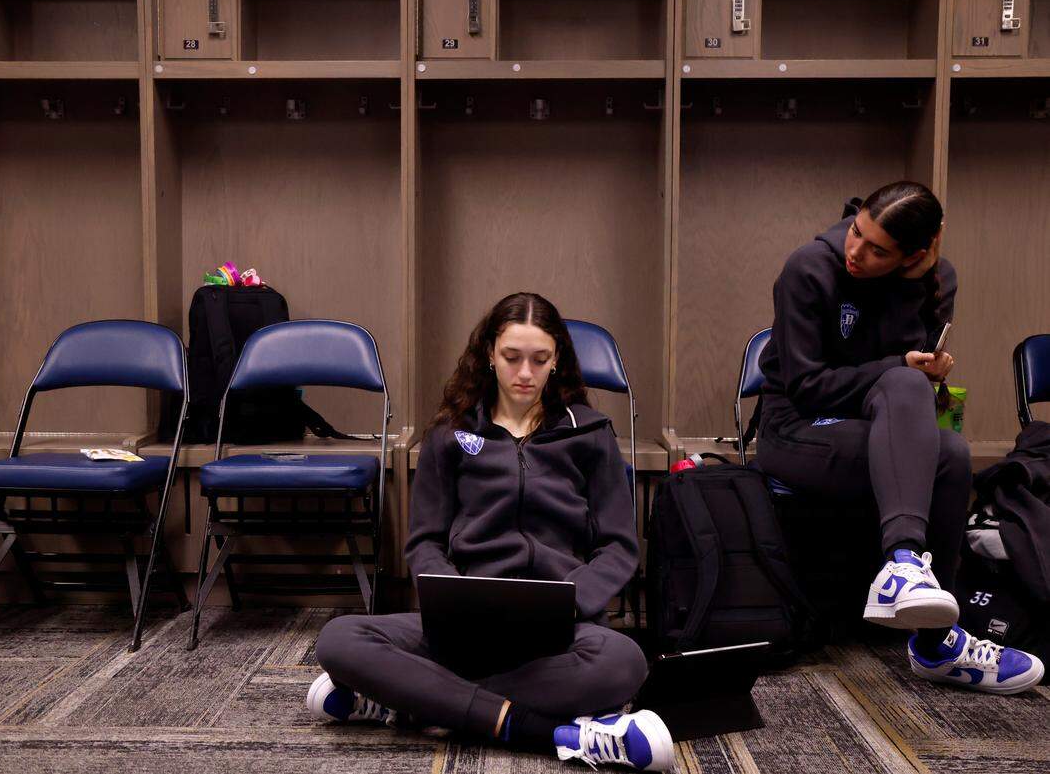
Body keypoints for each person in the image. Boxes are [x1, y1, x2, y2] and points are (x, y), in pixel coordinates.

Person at [306, 292, 676, 771]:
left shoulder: (591, 434)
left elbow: (618, 546)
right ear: (489, 354)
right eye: (512, 358)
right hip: (464, 624)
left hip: (560, 628)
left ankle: (411, 701)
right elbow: (425, 542)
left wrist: (574, 599)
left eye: (540, 360)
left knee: (623, 662)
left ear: (557, 360)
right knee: (339, 639)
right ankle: (540, 730)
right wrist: (453, 597)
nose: (525, 373)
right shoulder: (450, 433)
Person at [756, 181, 1044, 695]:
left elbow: (901, 387)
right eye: (857, 233)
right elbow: (804, 386)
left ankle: (934, 639)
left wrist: (913, 305)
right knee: (906, 383)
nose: (856, 251)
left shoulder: (935, 279)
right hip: (796, 428)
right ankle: (905, 564)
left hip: (872, 427)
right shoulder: (809, 268)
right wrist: (899, 369)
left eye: (877, 250)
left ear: (913, 254)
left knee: (953, 453)